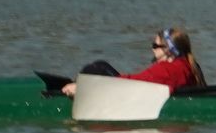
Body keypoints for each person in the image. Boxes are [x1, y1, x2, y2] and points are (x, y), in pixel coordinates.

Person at [62, 26, 207, 97]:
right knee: (101, 67)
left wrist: (86, 87)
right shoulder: (188, 64)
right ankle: (74, 85)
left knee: (98, 67)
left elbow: (133, 83)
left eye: (155, 46)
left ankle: (72, 91)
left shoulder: (167, 69)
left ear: (168, 50)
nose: (152, 49)